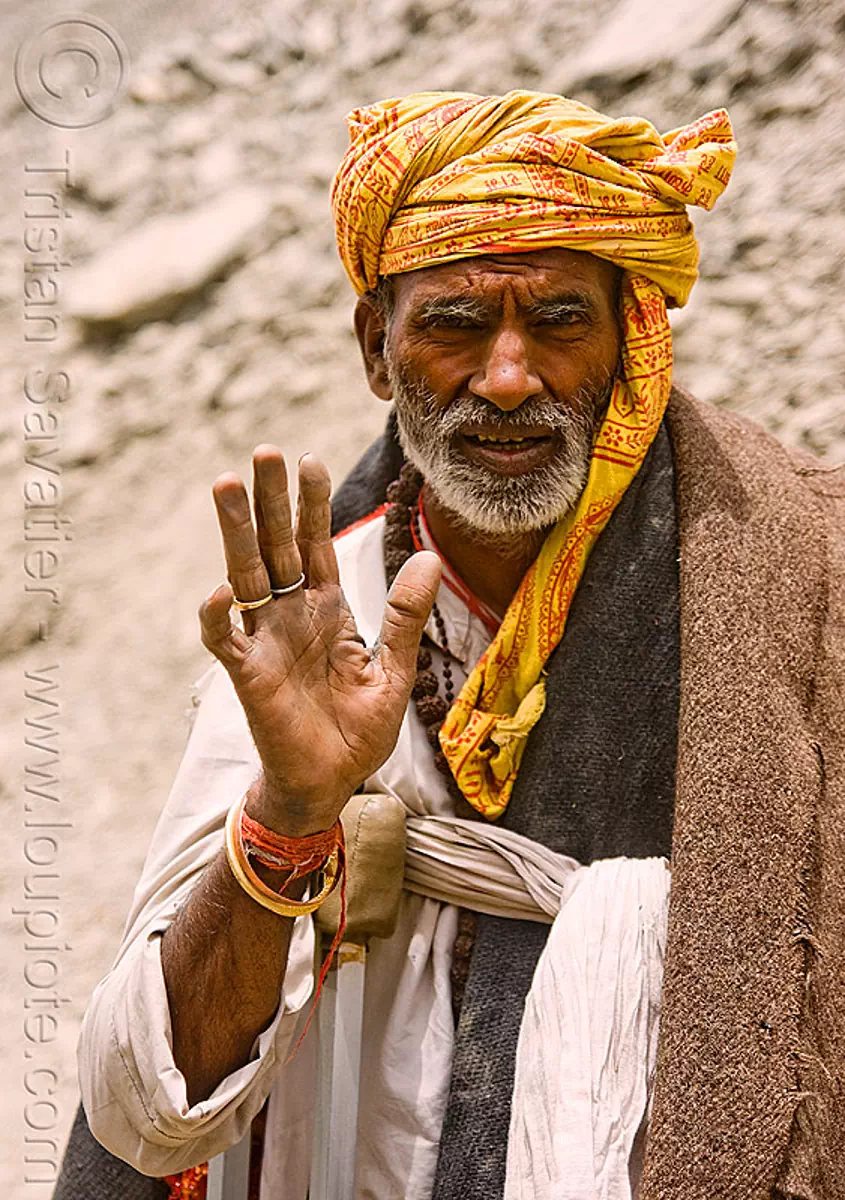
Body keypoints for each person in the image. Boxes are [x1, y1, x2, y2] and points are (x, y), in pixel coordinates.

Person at [76, 91, 845, 1200]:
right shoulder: (317, 611)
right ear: (375, 351)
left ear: (631, 338)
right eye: (452, 323)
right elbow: (153, 1104)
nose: (505, 377)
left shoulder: (793, 588)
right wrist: (292, 814)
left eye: (558, 320)